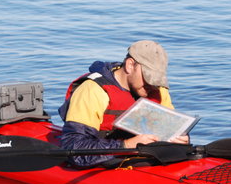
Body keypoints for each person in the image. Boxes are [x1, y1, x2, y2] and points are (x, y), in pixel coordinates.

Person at [58, 40, 189, 167]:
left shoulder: (158, 90)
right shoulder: (92, 91)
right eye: (148, 77)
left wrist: (181, 138)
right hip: (104, 156)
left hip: (144, 156)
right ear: (130, 65)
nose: (151, 85)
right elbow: (75, 149)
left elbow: (172, 129)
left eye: (156, 79)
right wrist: (126, 145)